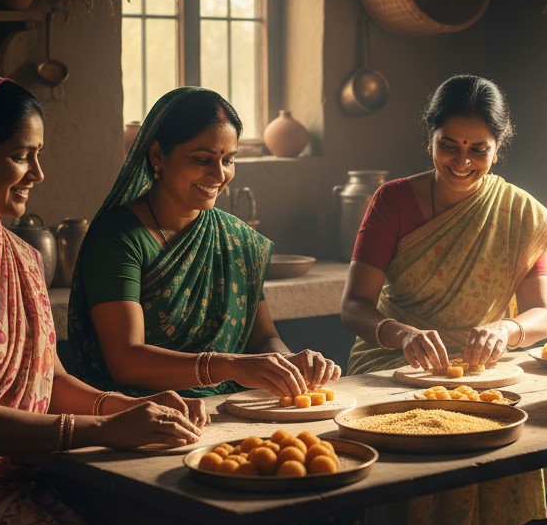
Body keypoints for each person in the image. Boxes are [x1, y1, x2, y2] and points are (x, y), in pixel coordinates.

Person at [0, 75, 207, 525]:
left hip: (26, 472)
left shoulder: (22, 257)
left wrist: (132, 409)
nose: (38, 174)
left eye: (38, 156)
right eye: (20, 156)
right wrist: (105, 431)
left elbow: (50, 382)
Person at [340, 74, 547, 525]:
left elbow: (541, 315)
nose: (462, 162)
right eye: (449, 146)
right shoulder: (393, 201)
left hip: (485, 365)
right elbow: (355, 306)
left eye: (478, 149)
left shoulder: (520, 213)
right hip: (396, 361)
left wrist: (506, 330)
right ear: (430, 139)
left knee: (514, 439)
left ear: (498, 147)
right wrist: (402, 333)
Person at [64, 87, 341, 400]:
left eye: (229, 160)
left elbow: (263, 340)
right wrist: (229, 366)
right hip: (141, 413)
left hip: (229, 405)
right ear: (157, 156)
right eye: (202, 160)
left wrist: (289, 363)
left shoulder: (236, 239)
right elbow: (126, 361)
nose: (219, 174)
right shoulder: (119, 238)